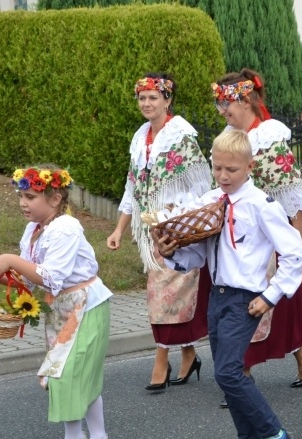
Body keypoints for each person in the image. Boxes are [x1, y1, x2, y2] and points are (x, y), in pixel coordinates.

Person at [153, 129, 302, 439]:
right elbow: (197, 255)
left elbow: (293, 253)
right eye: (217, 168)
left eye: (231, 170)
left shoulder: (261, 205)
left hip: (244, 300)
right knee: (226, 376)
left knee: (228, 372)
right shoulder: (211, 201)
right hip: (216, 296)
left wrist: (271, 295)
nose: (223, 176)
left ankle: (275, 436)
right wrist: (172, 252)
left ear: (249, 166)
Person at [0, 165, 114, 439]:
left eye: (30, 196)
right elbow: (34, 279)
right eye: (21, 195)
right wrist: (7, 279)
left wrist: (12, 260)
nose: (22, 202)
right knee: (78, 372)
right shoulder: (34, 230)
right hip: (63, 309)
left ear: (55, 199)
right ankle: (98, 437)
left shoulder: (65, 228)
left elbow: (53, 277)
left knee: (65, 372)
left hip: (85, 307)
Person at [212, 69, 302, 391]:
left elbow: (291, 189)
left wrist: (299, 236)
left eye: (225, 104)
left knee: (276, 307)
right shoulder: (232, 139)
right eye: (219, 105)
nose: (222, 111)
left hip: (270, 236)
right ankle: (240, 373)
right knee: (241, 303)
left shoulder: (269, 136)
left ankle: (301, 355)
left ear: (245, 100)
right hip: (236, 236)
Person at [107, 73, 212, 391]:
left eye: (154, 97)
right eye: (142, 98)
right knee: (167, 298)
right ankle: (189, 353)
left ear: (168, 100)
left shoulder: (181, 136)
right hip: (151, 230)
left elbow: (201, 185)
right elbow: (132, 187)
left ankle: (161, 359)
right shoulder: (141, 139)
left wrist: (190, 226)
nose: (147, 103)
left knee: (164, 297)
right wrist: (119, 229)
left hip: (178, 230)